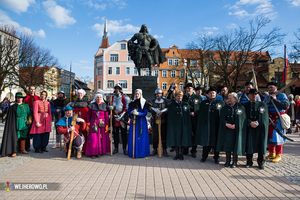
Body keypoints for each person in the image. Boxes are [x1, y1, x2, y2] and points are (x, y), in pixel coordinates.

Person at [217, 92, 247, 168]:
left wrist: (236, 125)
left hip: (236, 130)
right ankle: (227, 160)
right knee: (228, 145)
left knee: (235, 145)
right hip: (227, 129)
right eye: (228, 98)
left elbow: (242, 119)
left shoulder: (240, 107)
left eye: (231, 98)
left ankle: (234, 161)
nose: (229, 100)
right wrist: (226, 124)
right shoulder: (225, 108)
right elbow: (222, 118)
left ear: (235, 99)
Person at [195, 87, 225, 164]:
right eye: (210, 93)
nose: (212, 94)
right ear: (207, 94)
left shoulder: (220, 102)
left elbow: (223, 114)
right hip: (206, 125)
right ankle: (204, 157)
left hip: (216, 126)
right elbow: (201, 115)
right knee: (206, 142)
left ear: (216, 94)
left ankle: (216, 157)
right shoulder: (204, 103)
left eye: (213, 93)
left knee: (215, 143)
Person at [264, 82, 289, 162]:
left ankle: (278, 154)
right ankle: (272, 153)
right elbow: (263, 105)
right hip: (269, 119)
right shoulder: (267, 97)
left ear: (276, 87)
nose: (270, 89)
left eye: (271, 87)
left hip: (278, 119)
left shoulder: (282, 96)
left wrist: (275, 100)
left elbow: (285, 106)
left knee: (278, 137)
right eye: (269, 88)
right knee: (269, 137)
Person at [243, 89, 268, 169]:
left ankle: (261, 162)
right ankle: (249, 161)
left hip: (259, 128)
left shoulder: (262, 105)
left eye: (255, 94)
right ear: (249, 95)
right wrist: (249, 122)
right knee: (249, 144)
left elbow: (264, 117)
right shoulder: (245, 105)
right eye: (252, 94)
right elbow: (243, 117)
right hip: (249, 127)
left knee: (260, 144)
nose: (254, 96)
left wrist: (257, 122)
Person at [1, 92, 32, 157]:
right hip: (16, 123)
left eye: (21, 98)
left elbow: (29, 114)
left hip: (24, 123)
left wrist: (29, 120)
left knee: (23, 136)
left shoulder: (26, 106)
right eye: (18, 98)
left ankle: (23, 149)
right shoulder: (13, 107)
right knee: (15, 137)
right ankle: (15, 150)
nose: (19, 99)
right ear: (16, 98)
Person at [167, 90, 193, 160]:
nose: (180, 97)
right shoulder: (172, 105)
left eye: (181, 96)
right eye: (178, 96)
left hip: (183, 125)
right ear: (175, 97)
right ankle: (177, 153)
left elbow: (187, 115)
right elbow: (170, 116)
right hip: (175, 125)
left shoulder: (185, 104)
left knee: (182, 139)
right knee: (176, 139)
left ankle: (181, 154)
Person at [108, 84, 130, 155]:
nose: (117, 90)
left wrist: (121, 116)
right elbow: (109, 106)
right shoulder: (112, 97)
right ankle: (116, 148)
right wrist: (110, 107)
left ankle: (124, 149)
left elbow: (126, 108)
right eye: (116, 88)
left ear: (120, 89)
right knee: (115, 134)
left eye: (118, 88)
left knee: (124, 135)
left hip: (122, 118)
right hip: (115, 118)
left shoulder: (125, 97)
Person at [86, 93, 110, 159]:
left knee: (101, 138)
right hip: (94, 123)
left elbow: (107, 116)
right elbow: (89, 115)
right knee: (94, 139)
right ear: (95, 98)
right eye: (97, 97)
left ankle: (100, 152)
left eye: (100, 97)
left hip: (102, 123)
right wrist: (87, 123)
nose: (98, 98)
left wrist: (107, 125)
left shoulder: (104, 105)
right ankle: (93, 153)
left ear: (101, 98)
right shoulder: (92, 105)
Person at [128, 89, 150, 158]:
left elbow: (145, 113)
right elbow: (129, 112)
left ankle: (141, 152)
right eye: (136, 94)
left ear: (140, 94)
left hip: (141, 122)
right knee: (133, 136)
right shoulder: (132, 103)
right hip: (134, 121)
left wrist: (138, 113)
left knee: (141, 136)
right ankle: (133, 152)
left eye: (138, 94)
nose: (137, 95)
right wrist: (131, 112)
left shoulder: (144, 102)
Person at [182, 83, 202, 158]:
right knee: (186, 134)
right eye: (186, 88)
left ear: (193, 89)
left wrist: (195, 113)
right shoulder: (183, 97)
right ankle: (185, 149)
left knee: (194, 134)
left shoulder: (197, 97)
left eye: (189, 88)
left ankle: (194, 150)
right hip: (185, 119)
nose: (188, 90)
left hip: (194, 119)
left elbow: (201, 108)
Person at [149, 88, 170, 157]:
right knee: (155, 136)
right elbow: (148, 106)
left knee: (163, 136)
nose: (158, 95)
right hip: (155, 121)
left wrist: (163, 111)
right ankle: (155, 149)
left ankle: (164, 149)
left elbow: (169, 107)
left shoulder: (165, 101)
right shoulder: (152, 101)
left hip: (163, 121)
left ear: (161, 94)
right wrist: (154, 109)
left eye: (159, 93)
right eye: (157, 94)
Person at [69, 89, 89, 153]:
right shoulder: (74, 103)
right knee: (76, 134)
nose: (80, 95)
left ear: (83, 95)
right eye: (78, 94)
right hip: (76, 121)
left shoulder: (87, 103)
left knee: (85, 135)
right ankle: (77, 149)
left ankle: (84, 149)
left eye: (81, 94)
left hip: (84, 122)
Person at [23, 86, 40, 151]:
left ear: (35, 90)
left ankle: (36, 147)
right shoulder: (26, 98)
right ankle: (27, 147)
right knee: (27, 132)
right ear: (29, 90)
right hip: (28, 117)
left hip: (36, 117)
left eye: (33, 89)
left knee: (36, 132)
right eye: (31, 89)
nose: (32, 90)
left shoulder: (37, 98)